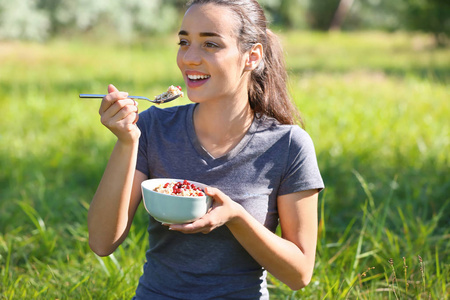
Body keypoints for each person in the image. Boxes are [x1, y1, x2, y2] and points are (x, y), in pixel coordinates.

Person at [87, 0, 324, 298]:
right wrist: (126, 142)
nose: (189, 58)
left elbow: (299, 274)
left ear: (251, 56)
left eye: (210, 44)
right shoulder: (152, 128)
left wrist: (236, 218)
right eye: (184, 42)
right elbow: (101, 242)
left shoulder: (288, 145)